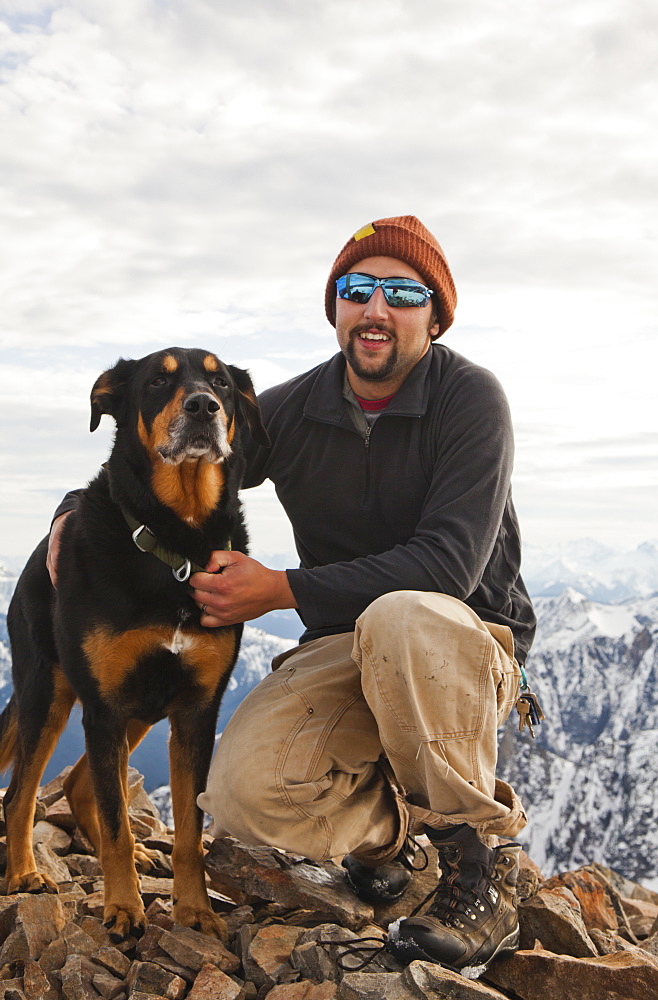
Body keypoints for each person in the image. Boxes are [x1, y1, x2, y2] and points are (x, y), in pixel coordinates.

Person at [49, 216, 535, 977]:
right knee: (242, 795)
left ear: (434, 317)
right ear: (336, 308)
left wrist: (280, 589)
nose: (377, 308)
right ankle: (391, 840)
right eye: (358, 288)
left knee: (403, 616)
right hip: (345, 641)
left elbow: (447, 567)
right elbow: (158, 456)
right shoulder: (287, 410)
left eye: (403, 292)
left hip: (459, 639)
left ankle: (479, 867)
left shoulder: (470, 399)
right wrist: (74, 512)